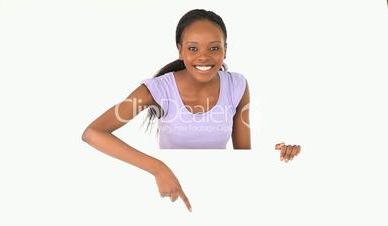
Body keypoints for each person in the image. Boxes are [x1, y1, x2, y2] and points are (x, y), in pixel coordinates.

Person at [81, 9, 302, 212]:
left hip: (218, 193)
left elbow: (243, 157)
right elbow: (93, 133)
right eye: (193, 48)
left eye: (214, 48)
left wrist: (280, 155)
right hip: (168, 192)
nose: (203, 57)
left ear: (225, 51)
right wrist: (158, 168)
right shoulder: (157, 89)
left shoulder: (237, 86)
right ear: (180, 50)